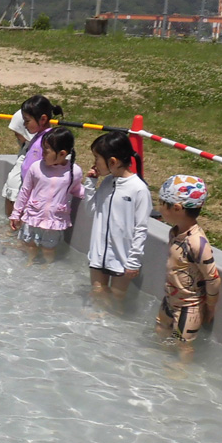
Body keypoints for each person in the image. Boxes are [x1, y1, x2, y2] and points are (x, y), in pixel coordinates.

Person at [154, 174, 221, 362]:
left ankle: (180, 378)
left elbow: (213, 278)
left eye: (162, 203)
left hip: (189, 306)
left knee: (183, 345)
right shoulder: (175, 232)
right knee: (160, 333)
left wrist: (210, 306)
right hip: (170, 299)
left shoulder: (197, 243)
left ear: (176, 208)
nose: (158, 207)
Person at [83, 130, 150, 309]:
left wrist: (134, 261)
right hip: (98, 254)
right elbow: (92, 212)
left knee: (116, 301)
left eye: (97, 158)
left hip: (123, 259)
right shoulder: (106, 183)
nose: (94, 163)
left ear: (112, 161)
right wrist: (90, 184)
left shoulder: (138, 189)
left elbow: (141, 228)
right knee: (98, 296)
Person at [9, 128, 85, 265]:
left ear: (62, 154)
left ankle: (47, 266)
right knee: (30, 244)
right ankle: (30, 261)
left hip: (54, 220)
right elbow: (24, 192)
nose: (42, 154)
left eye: (46, 151)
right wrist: (16, 214)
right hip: (33, 215)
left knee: (49, 249)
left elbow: (77, 190)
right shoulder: (36, 167)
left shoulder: (75, 172)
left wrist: (90, 195)